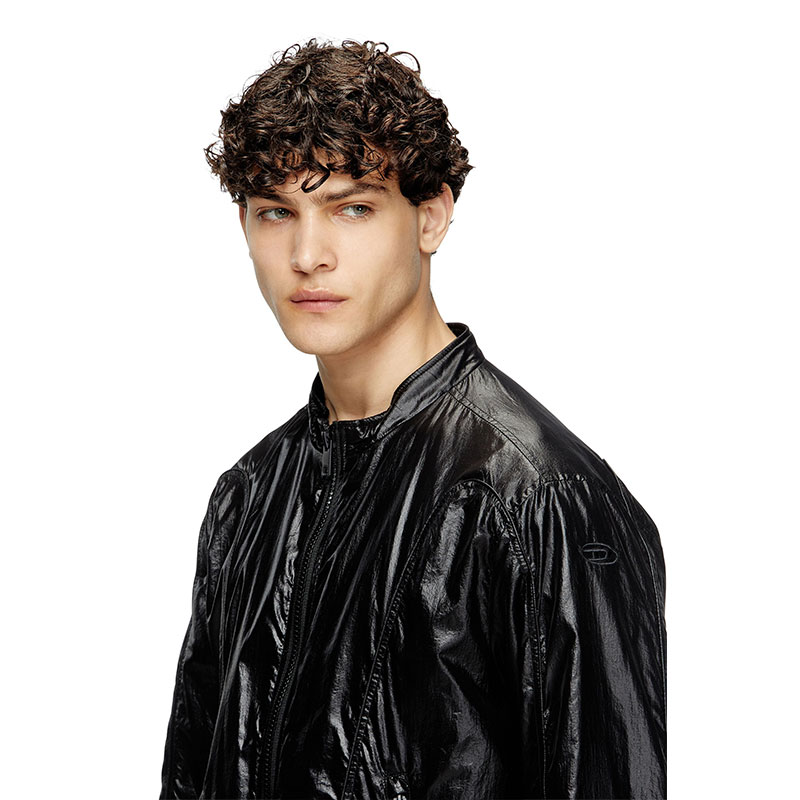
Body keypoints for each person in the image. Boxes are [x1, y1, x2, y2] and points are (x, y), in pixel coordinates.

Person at [159, 39, 667, 800]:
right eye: (276, 213)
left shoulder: (540, 497)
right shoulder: (247, 495)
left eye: (352, 208)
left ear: (431, 218)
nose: (307, 254)